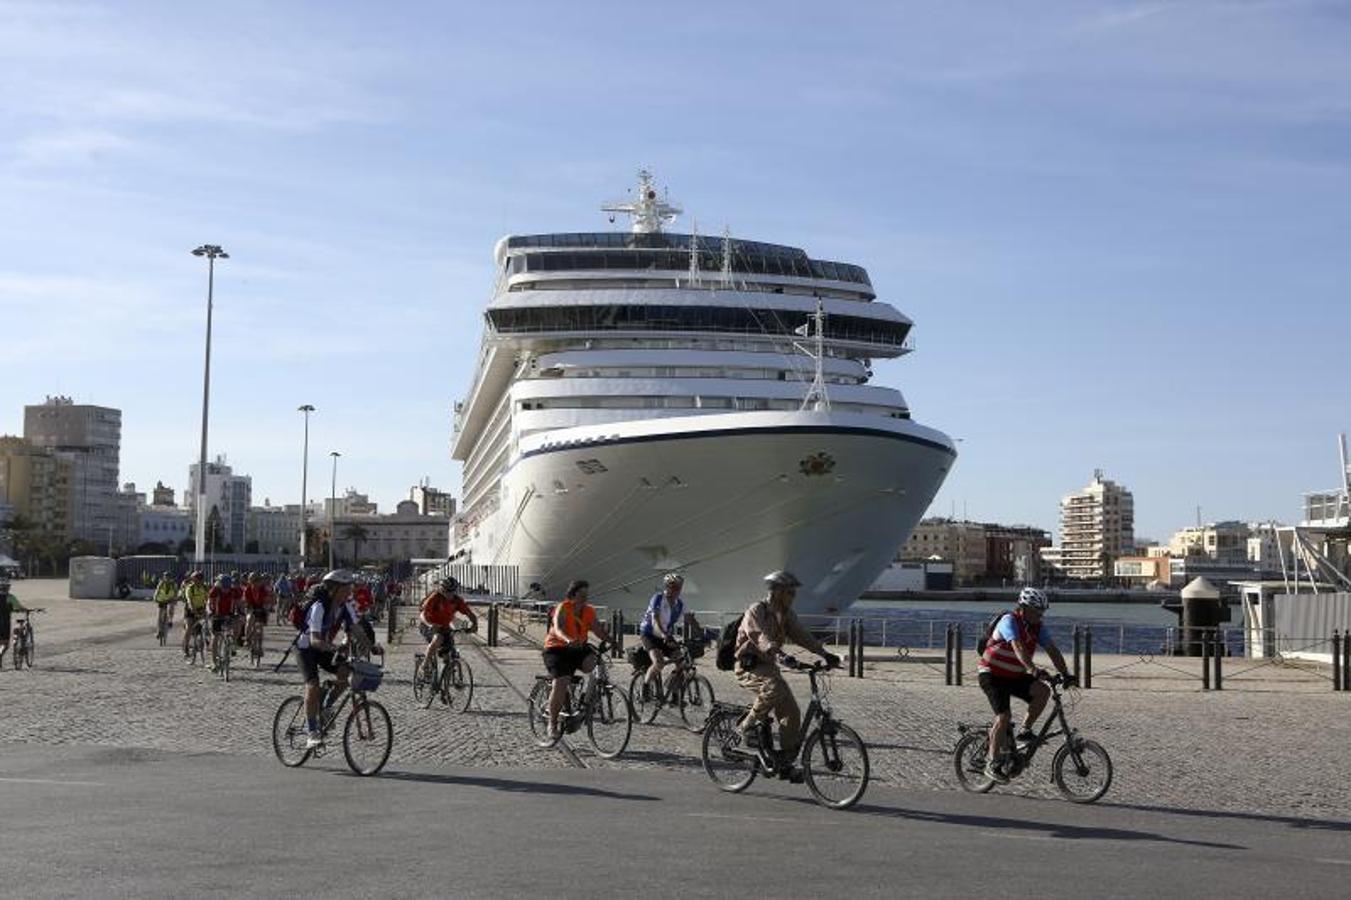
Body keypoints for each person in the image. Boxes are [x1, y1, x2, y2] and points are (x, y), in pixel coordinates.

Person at [733, 571, 840, 781]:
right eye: (790, 592)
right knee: (774, 687)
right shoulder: (757, 611)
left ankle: (785, 763)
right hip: (749, 666)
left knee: (792, 713)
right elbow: (759, 637)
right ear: (777, 592)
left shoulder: (787, 614)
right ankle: (746, 726)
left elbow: (802, 635)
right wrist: (780, 654)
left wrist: (825, 653)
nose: (794, 596)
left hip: (769, 666)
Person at [977, 587, 1075, 783]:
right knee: (1003, 717)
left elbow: (1052, 650)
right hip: (992, 675)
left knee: (1043, 691)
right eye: (1036, 611)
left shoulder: (1037, 627)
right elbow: (1018, 646)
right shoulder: (1009, 621)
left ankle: (1025, 730)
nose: (1040, 615)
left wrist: (1066, 674)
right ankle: (992, 762)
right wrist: (1032, 669)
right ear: (1023, 608)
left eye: (1042, 611)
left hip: (1014, 675)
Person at [296, 570, 377, 748]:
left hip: (323, 647)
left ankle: (325, 707)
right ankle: (312, 732)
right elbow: (314, 639)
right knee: (313, 685)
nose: (350, 591)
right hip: (306, 648)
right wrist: (333, 647)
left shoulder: (345, 606)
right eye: (346, 588)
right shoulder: (319, 606)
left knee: (346, 673)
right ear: (334, 589)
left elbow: (355, 629)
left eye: (350, 588)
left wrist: (372, 646)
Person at [541, 580, 610, 740]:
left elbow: (597, 630)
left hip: (577, 648)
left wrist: (612, 641)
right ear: (573, 594)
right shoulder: (563, 608)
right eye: (581, 595)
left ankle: (587, 701)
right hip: (556, 649)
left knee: (594, 662)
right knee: (561, 681)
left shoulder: (589, 611)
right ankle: (552, 723)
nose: (585, 598)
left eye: (586, 595)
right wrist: (567, 639)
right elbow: (558, 628)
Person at [637, 573, 689, 698]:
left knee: (681, 662)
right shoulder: (658, 598)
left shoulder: (680, 604)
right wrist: (664, 634)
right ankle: (645, 687)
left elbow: (690, 620)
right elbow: (655, 620)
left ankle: (673, 691)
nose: (677, 590)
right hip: (649, 634)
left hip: (665, 635)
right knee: (659, 663)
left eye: (679, 587)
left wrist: (705, 635)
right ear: (667, 587)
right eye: (674, 587)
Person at [418, 577, 478, 678]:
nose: (450, 594)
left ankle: (444, 684)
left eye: (452, 591)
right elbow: (422, 614)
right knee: (438, 639)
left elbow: (469, 613)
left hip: (444, 626)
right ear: (442, 589)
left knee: (448, 652)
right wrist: (430, 625)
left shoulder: (457, 600)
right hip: (427, 625)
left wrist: (474, 624)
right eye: (447, 591)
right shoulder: (435, 597)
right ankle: (424, 666)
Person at [207, 575, 239, 670]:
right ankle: (213, 662)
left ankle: (232, 645)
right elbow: (209, 603)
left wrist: (240, 612)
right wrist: (210, 612)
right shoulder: (214, 591)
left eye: (228, 587)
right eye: (224, 587)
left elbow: (239, 603)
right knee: (215, 636)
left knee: (236, 627)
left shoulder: (234, 592)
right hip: (217, 615)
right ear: (220, 585)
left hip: (229, 614)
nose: (226, 590)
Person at [0, 577, 31, 667]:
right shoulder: (10, 597)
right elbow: (18, 607)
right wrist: (25, 609)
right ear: (8, 587)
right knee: (5, 644)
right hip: (4, 623)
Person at [180, 571, 208, 662]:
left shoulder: (204, 588)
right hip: (190, 610)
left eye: (200, 579)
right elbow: (189, 601)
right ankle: (186, 647)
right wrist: (193, 610)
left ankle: (204, 640)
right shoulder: (190, 588)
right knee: (189, 628)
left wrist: (207, 609)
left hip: (201, 609)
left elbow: (207, 600)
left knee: (206, 624)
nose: (198, 581)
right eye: (196, 579)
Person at [243, 572, 272, 651]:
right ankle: (247, 639)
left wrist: (267, 606)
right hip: (251, 607)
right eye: (254, 581)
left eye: (258, 580)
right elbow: (245, 601)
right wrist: (248, 607)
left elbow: (268, 598)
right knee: (249, 620)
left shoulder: (263, 589)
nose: (256, 582)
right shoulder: (247, 589)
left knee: (260, 627)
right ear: (250, 581)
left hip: (261, 607)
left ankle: (260, 646)